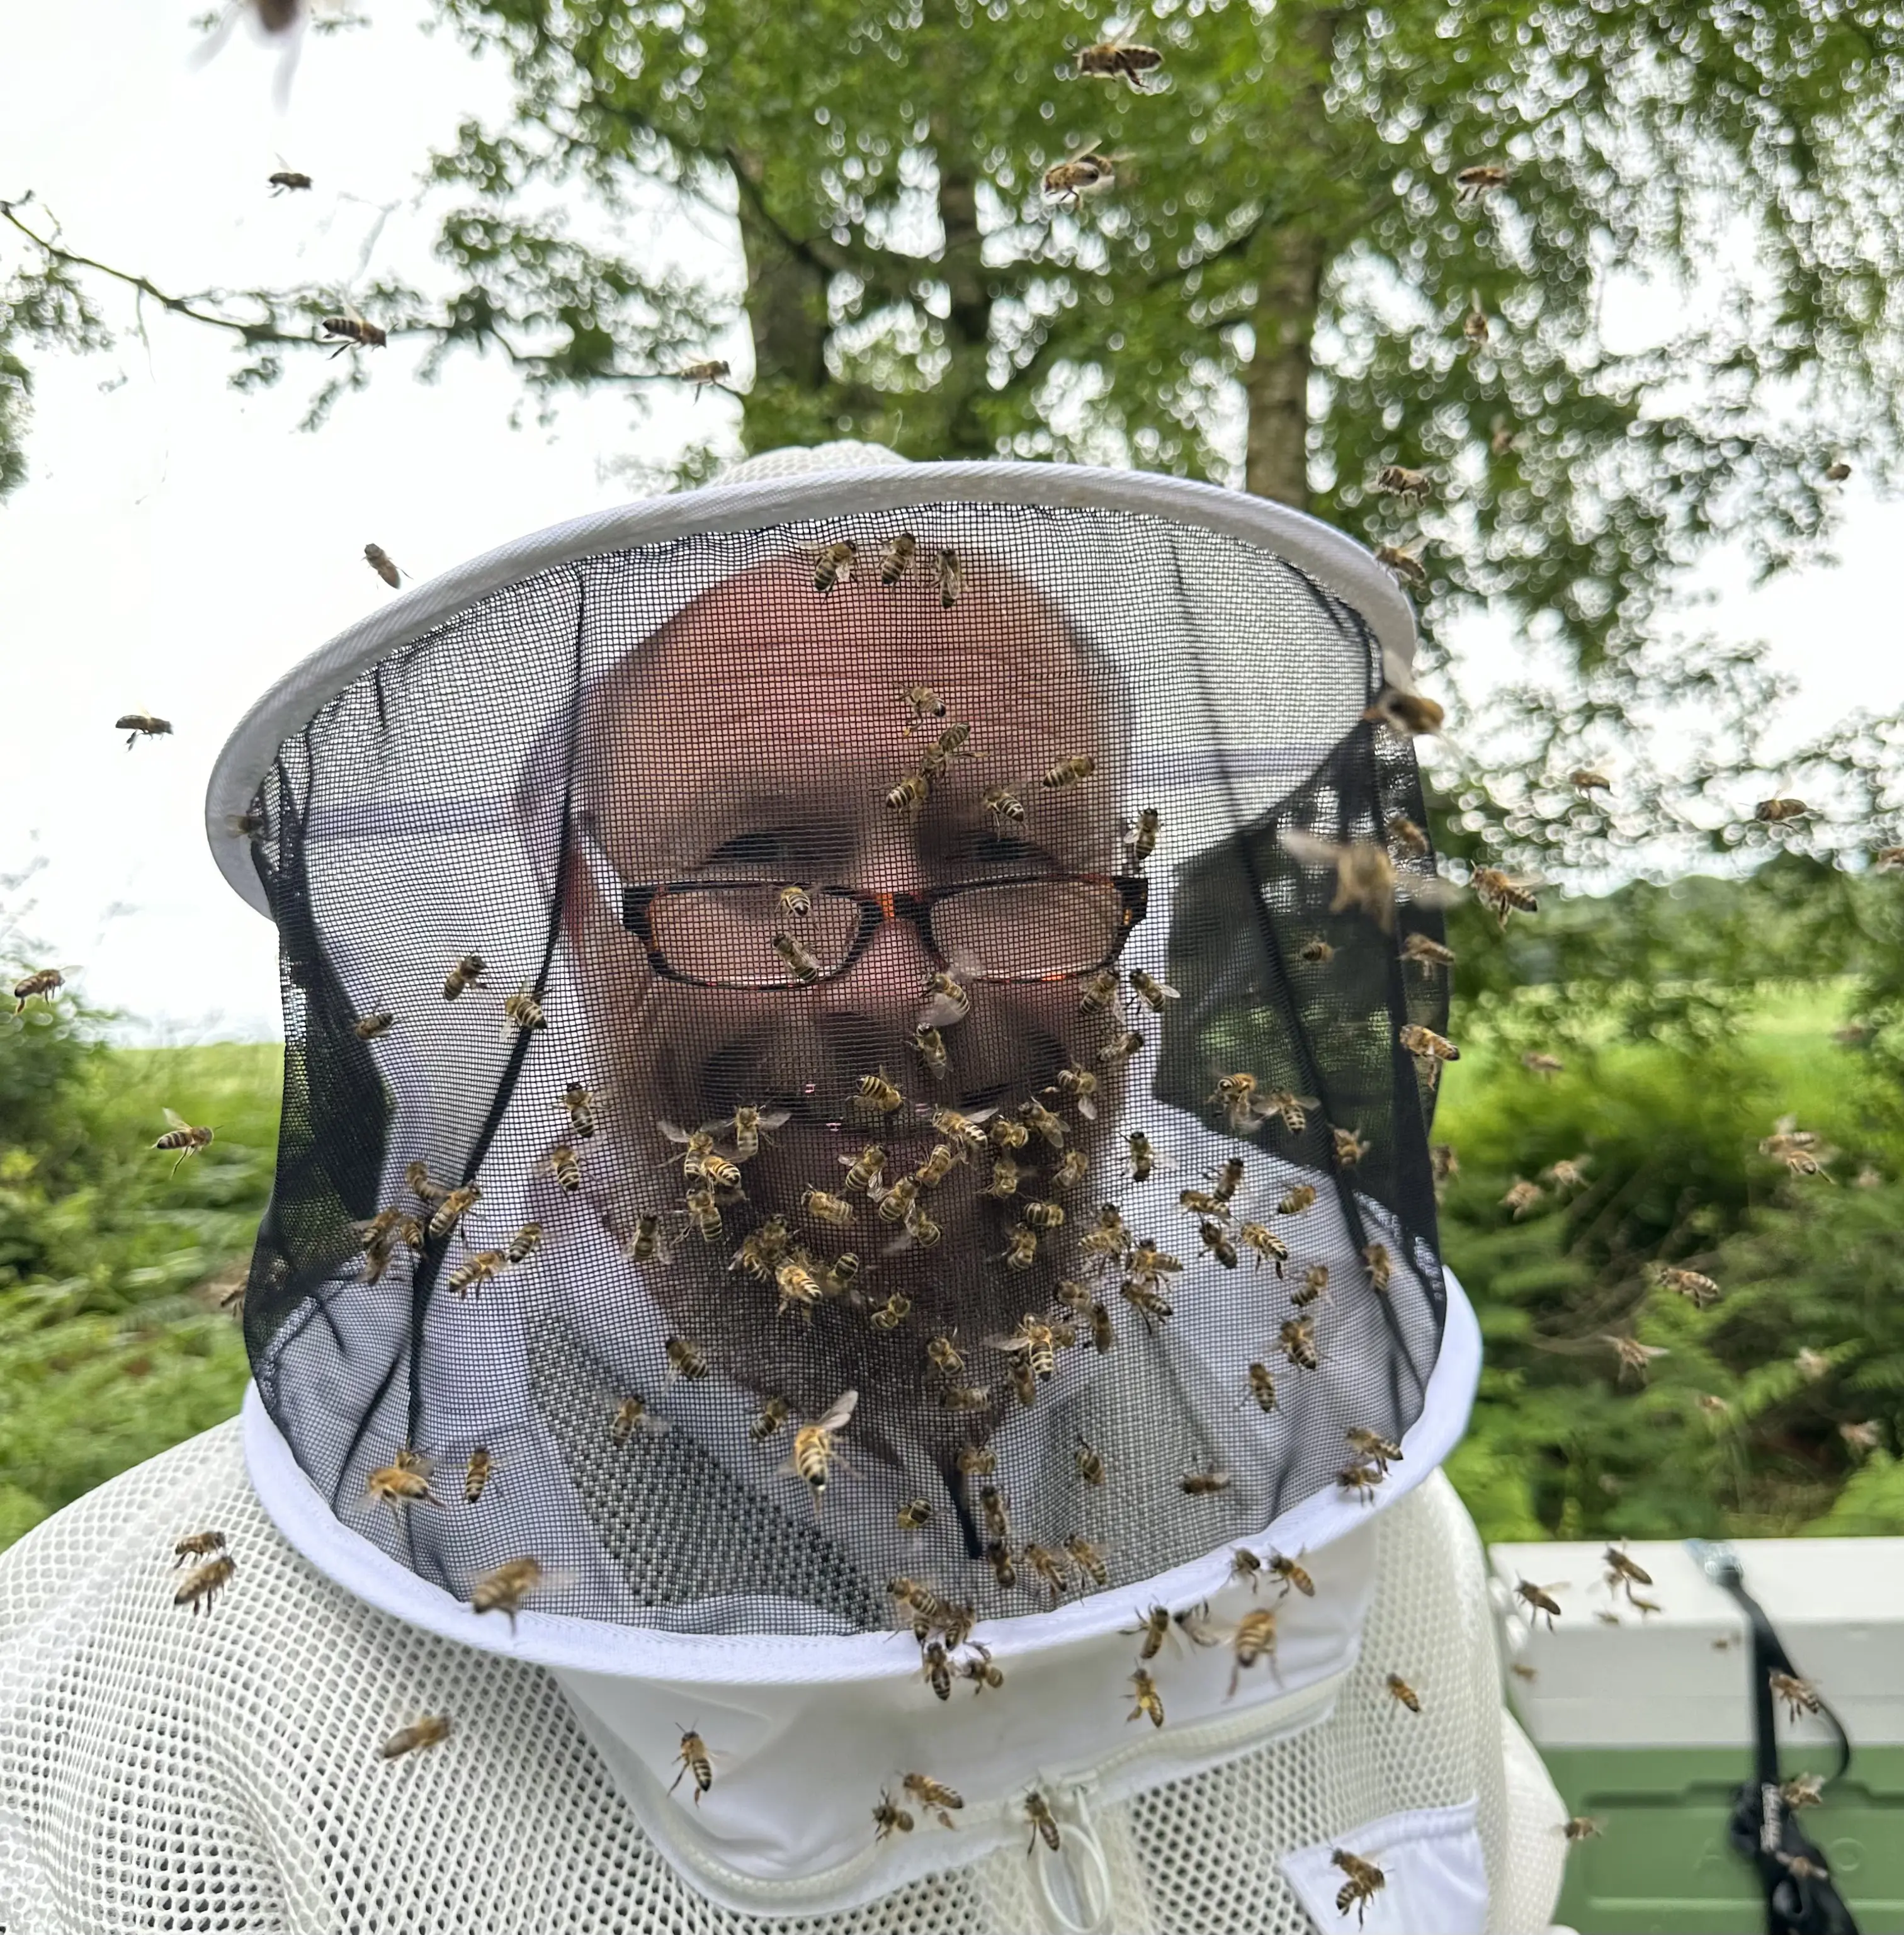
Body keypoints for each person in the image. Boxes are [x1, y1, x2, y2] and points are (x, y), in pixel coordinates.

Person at [0, 443, 1570, 1933]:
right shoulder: (152, 1702)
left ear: (1131, 909)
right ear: (574, 915)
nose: (905, 990)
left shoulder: (1361, 1513)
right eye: (759, 864)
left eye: (1014, 862)